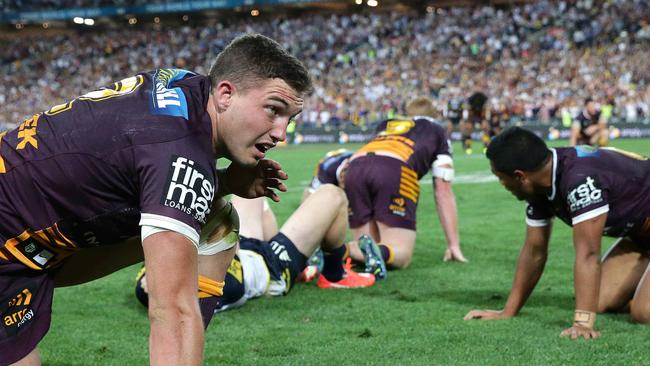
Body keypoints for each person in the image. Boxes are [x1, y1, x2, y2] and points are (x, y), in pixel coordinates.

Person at [0, 33, 312, 366]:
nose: (281, 133)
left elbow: (147, 164)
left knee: (216, 220)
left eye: (288, 119)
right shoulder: (179, 151)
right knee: (178, 310)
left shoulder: (186, 86)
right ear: (225, 94)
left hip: (33, 238)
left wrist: (223, 182)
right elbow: (172, 310)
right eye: (273, 110)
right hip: (12, 244)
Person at [465, 127, 650, 339]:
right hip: (640, 235)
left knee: (643, 313)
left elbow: (588, 253)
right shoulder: (541, 180)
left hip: (642, 229)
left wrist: (582, 324)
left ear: (520, 176)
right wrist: (508, 311)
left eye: (500, 177)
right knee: (597, 301)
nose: (501, 184)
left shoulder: (580, 179)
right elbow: (534, 251)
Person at [135, 184, 375, 312]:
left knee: (252, 188)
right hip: (271, 269)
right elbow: (232, 289)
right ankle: (334, 273)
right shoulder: (206, 289)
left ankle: (305, 264)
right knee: (333, 195)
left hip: (247, 251)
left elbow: (146, 282)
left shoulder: (166, 257)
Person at [343, 96, 468, 279]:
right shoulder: (437, 130)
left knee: (367, 245)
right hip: (394, 167)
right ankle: (339, 251)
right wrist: (453, 244)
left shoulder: (386, 124)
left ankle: (335, 251)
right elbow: (443, 190)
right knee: (399, 253)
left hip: (355, 166)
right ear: (434, 115)